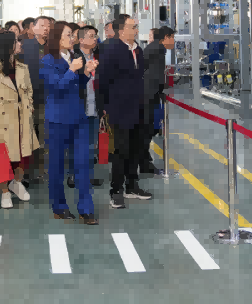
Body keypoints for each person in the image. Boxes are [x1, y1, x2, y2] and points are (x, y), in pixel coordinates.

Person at [41, 21, 99, 225]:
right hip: (58, 120)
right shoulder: (47, 61)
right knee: (57, 166)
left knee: (83, 164)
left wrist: (86, 73)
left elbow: (77, 85)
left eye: (72, 35)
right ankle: (59, 207)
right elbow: (56, 88)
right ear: (57, 38)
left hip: (78, 117)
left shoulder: (74, 57)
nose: (72, 38)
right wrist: (72, 70)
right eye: (68, 35)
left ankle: (86, 209)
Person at [98, 14, 153, 209]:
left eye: (136, 26)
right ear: (121, 31)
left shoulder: (137, 49)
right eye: (133, 27)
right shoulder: (111, 50)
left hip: (138, 107)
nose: (136, 30)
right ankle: (116, 191)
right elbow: (102, 80)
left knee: (136, 148)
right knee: (121, 151)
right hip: (119, 108)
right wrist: (103, 107)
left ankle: (132, 186)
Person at [0, 31, 38, 209]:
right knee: (1, 157)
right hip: (2, 121)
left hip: (23, 118)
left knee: (23, 155)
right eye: (16, 41)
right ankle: (4, 191)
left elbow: (29, 91)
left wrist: (29, 105)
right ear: (8, 46)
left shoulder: (22, 68)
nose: (20, 44)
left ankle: (17, 182)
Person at [67, 25, 105, 188]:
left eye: (95, 36)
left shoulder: (98, 56)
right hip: (78, 106)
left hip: (94, 105)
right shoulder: (74, 57)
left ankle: (88, 176)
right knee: (76, 144)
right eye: (91, 36)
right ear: (81, 40)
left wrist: (103, 105)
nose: (94, 38)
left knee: (91, 144)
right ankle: (73, 175)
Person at [21, 15, 53, 183]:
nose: (46, 28)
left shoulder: (53, 47)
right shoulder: (25, 46)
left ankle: (41, 171)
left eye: (48, 26)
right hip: (27, 100)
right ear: (33, 28)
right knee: (26, 137)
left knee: (44, 138)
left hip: (47, 100)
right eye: (42, 25)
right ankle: (26, 173)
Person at [140, 26, 176, 174]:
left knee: (150, 128)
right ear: (166, 37)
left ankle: (144, 158)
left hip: (148, 94)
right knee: (149, 128)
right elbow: (155, 75)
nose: (173, 41)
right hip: (148, 95)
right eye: (172, 38)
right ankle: (144, 162)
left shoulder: (154, 47)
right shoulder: (158, 50)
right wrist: (162, 90)